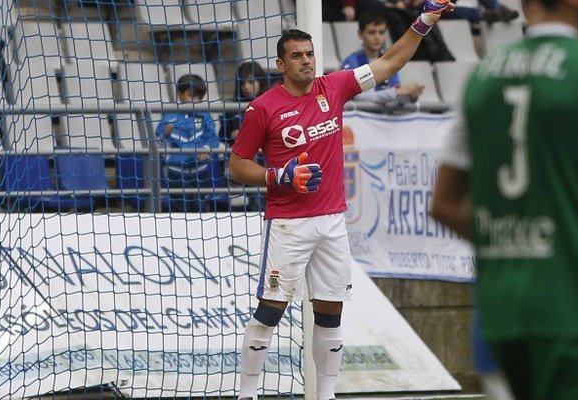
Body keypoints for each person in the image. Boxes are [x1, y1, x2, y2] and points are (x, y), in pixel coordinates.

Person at [429, 0, 578, 398]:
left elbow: (443, 204)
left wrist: (511, 235)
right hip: (576, 313)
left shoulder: (482, 76)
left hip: (500, 317)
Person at [227, 1, 455, 398]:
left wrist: (423, 22)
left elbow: (389, 63)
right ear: (281, 65)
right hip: (288, 223)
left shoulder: (334, 86)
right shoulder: (263, 108)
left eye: (310, 54)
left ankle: (326, 393)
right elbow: (236, 164)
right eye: (296, 56)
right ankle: (248, 393)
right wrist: (276, 176)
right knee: (270, 310)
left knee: (331, 312)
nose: (306, 61)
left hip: (333, 221)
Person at [157, 74, 227, 212]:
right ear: (179, 94)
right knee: (179, 208)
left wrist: (205, 149)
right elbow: (157, 143)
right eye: (191, 95)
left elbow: (213, 138)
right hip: (175, 170)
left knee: (200, 206)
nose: (195, 100)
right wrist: (165, 134)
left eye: (199, 97)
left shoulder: (204, 115)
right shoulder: (169, 116)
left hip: (199, 169)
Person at [342, 10, 426, 106]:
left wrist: (411, 95)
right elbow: (358, 97)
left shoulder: (389, 59)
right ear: (360, 34)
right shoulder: (352, 61)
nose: (377, 37)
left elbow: (395, 96)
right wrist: (397, 92)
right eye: (372, 32)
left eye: (381, 32)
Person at [221, 61, 271, 146]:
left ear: (261, 82)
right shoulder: (233, 107)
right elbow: (222, 135)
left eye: (251, 82)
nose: (246, 87)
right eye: (242, 83)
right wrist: (231, 134)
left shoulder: (271, 103)